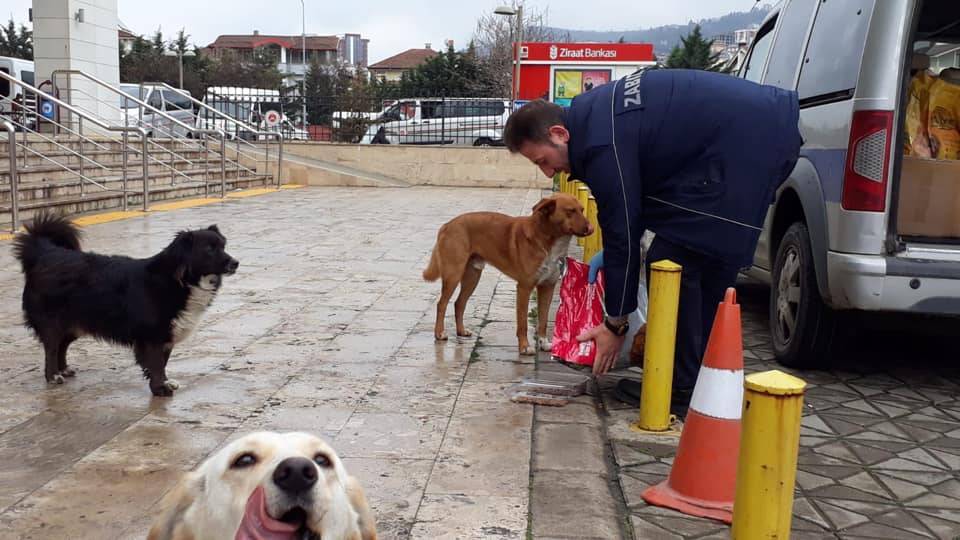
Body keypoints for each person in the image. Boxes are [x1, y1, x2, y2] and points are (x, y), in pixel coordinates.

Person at [503, 68, 801, 414]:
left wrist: (616, 322)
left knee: (676, 260)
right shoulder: (595, 118)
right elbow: (630, 211)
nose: (549, 172)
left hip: (749, 143)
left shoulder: (601, 143)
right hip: (763, 130)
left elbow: (622, 230)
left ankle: (682, 388)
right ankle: (702, 379)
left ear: (559, 134)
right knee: (700, 260)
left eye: (543, 160)